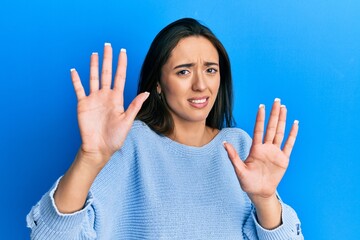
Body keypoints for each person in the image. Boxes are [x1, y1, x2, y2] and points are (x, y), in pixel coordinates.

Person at [27, 18, 303, 239]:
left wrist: (265, 199)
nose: (201, 85)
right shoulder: (131, 142)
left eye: (210, 70)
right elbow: (48, 236)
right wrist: (90, 158)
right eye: (183, 71)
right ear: (158, 83)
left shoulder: (239, 146)